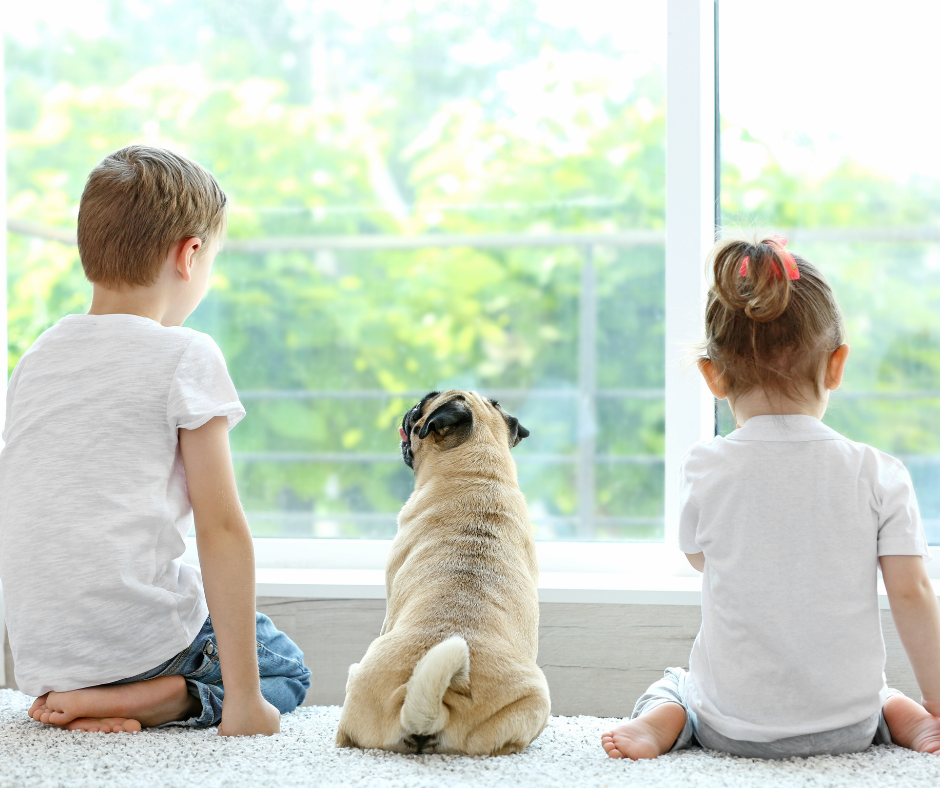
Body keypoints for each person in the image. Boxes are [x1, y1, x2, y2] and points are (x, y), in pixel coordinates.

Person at [0, 145, 311, 735]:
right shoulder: (185, 354)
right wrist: (245, 703)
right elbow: (220, 527)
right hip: (140, 642)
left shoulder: (37, 357)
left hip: (47, 658)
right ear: (189, 255)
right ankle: (162, 697)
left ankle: (92, 695)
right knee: (286, 670)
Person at [602, 233, 940, 759]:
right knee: (881, 693)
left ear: (712, 375)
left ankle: (660, 720)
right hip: (846, 726)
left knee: (676, 683)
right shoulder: (879, 473)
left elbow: (697, 557)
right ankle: (917, 723)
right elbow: (912, 592)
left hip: (731, 727)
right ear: (837, 364)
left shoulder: (707, 467)